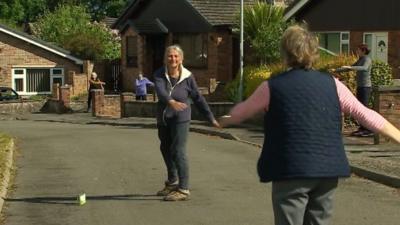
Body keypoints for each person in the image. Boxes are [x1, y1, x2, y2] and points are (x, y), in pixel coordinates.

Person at [218, 25, 400, 225]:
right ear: (314, 52)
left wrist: (223, 120)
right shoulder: (334, 84)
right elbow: (365, 114)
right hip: (327, 171)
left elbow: (243, 111)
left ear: (286, 53)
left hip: (290, 170)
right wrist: (397, 136)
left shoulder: (272, 86)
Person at [154, 45, 220, 201]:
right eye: (170, 56)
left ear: (181, 59)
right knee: (165, 147)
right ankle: (172, 181)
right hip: (164, 117)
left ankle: (183, 189)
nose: (173, 59)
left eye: (176, 56)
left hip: (181, 117)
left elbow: (198, 98)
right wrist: (171, 101)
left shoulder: (188, 77)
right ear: (165, 58)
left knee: (178, 150)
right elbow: (161, 91)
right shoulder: (159, 74)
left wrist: (210, 118)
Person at [333, 44, 373, 137]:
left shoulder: (367, 59)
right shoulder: (360, 59)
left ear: (363, 51)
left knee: (364, 108)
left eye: (358, 50)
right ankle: (362, 128)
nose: (357, 51)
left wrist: (351, 67)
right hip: (360, 86)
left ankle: (368, 129)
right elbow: (349, 68)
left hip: (365, 87)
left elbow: (364, 68)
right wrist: (336, 70)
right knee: (360, 108)